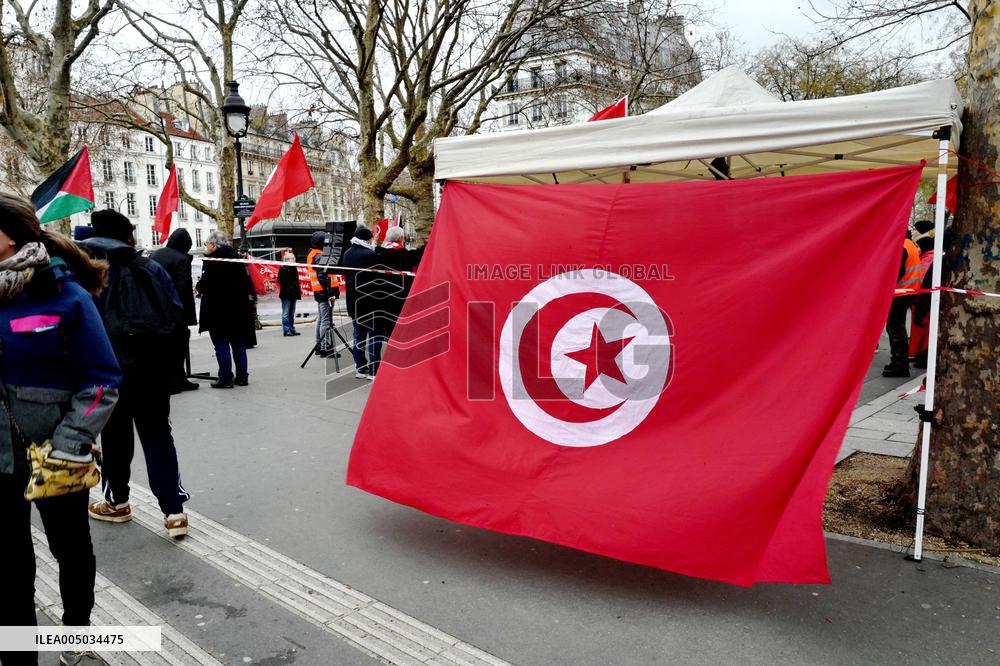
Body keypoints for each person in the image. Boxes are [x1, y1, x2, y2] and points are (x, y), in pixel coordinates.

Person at [0, 194, 121, 666]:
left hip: (54, 455)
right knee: (9, 565)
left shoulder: (63, 293)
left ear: (11, 235)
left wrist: (69, 445)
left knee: (70, 548)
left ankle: (76, 632)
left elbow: (101, 381)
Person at [81, 209, 191, 538]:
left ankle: (117, 501)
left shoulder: (88, 272)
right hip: (153, 370)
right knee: (158, 437)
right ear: (127, 236)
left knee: (115, 437)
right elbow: (177, 318)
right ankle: (174, 511)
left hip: (108, 369)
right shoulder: (152, 267)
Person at [197, 232, 255, 388]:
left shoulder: (213, 261)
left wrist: (198, 286)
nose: (206, 247)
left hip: (218, 311)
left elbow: (205, 285)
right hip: (238, 310)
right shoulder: (236, 258)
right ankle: (242, 376)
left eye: (207, 244)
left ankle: (226, 378)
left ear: (214, 245)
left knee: (221, 345)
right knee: (238, 344)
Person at [150, 228, 199, 393]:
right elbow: (182, 287)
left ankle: (169, 380)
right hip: (176, 312)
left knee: (163, 348)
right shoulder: (182, 259)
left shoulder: (154, 255)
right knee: (179, 346)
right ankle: (179, 379)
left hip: (157, 309)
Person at [883, 231, 922, 378]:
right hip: (908, 292)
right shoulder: (910, 244)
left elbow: (897, 272)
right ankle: (898, 362)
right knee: (896, 327)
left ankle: (900, 365)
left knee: (895, 328)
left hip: (900, 292)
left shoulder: (902, 246)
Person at [342, 227, 378, 378]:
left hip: (352, 301)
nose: (372, 240)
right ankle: (374, 369)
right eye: (371, 238)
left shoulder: (347, 253)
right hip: (368, 301)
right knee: (374, 336)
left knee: (358, 335)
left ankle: (360, 367)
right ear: (366, 239)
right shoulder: (369, 254)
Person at [371, 226, 417, 341]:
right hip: (402, 297)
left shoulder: (379, 254)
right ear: (401, 238)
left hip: (383, 297)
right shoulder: (407, 255)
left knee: (388, 329)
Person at [307, 230, 342, 357]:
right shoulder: (319, 256)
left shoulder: (314, 254)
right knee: (326, 321)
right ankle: (326, 347)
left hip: (320, 292)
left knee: (322, 319)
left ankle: (319, 346)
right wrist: (330, 293)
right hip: (325, 292)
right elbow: (323, 276)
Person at [909, 220, 937, 369]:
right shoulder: (930, 256)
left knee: (923, 331)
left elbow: (923, 280)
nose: (913, 231)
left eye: (915, 229)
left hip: (922, 299)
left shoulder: (928, 259)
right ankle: (920, 354)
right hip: (921, 298)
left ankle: (921, 355)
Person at [278, 249, 302, 336]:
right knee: (286, 313)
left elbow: (296, 281)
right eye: (293, 258)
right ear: (288, 260)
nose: (294, 259)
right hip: (286, 294)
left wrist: (297, 290)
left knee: (291, 312)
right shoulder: (283, 269)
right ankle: (286, 330)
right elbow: (280, 280)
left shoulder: (293, 268)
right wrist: (290, 288)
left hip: (293, 294)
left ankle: (292, 328)